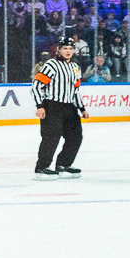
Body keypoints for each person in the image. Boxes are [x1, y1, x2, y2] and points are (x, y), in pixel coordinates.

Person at [32, 37, 83, 177]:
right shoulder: (51, 65)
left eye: (71, 49)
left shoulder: (75, 67)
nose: (68, 51)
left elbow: (75, 90)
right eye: (65, 48)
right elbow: (37, 86)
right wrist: (40, 106)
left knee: (76, 137)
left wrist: (82, 108)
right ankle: (42, 167)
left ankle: (63, 164)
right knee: (51, 137)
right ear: (59, 50)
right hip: (52, 106)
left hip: (70, 107)